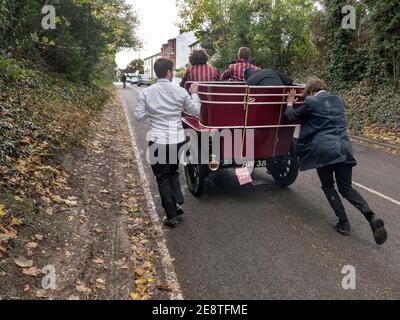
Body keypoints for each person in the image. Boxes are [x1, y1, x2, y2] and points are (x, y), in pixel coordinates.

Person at [285, 76, 387, 245]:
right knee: (346, 188)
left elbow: (292, 116)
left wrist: (289, 102)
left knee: (328, 186)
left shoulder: (310, 102)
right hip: (344, 147)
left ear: (310, 91)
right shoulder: (338, 100)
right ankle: (372, 216)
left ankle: (344, 223)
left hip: (324, 150)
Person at [135, 58, 201, 228]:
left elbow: (139, 117)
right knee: (173, 171)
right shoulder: (180, 91)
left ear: (157, 73)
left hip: (158, 140)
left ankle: (171, 215)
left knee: (162, 177)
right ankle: (177, 202)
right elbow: (195, 111)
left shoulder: (146, 93)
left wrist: (153, 112)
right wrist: (194, 93)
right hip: (177, 140)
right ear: (169, 72)